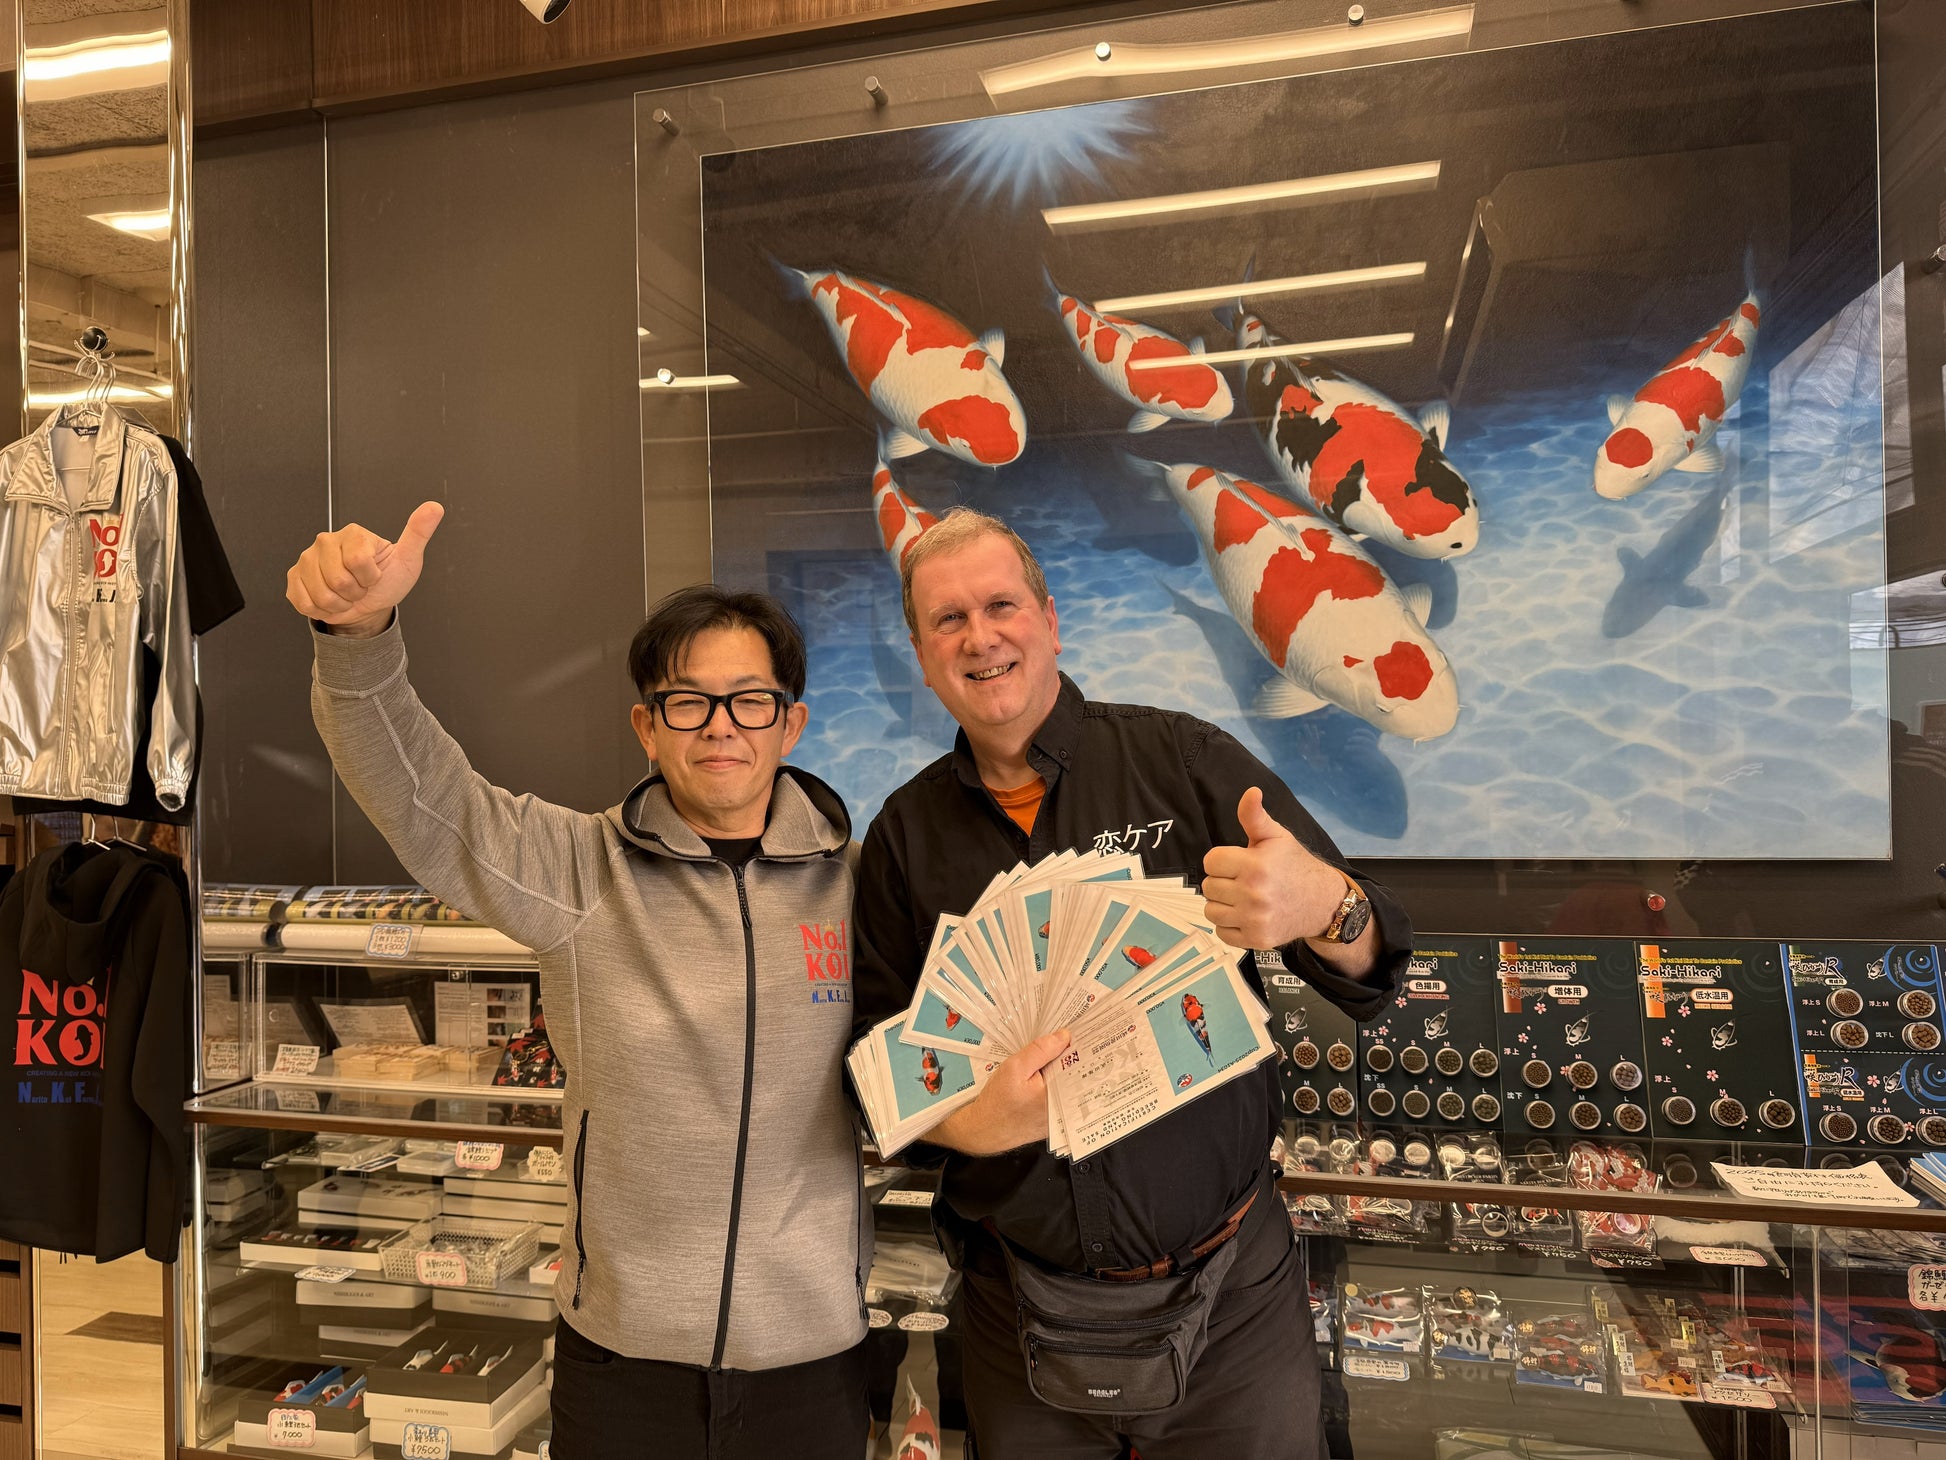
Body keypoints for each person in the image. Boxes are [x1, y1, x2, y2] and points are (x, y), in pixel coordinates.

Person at [287, 502, 870, 1460]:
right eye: (687, 702)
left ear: (791, 723)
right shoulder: (579, 870)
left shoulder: (860, 886)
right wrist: (358, 641)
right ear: (647, 726)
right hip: (624, 1364)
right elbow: (429, 801)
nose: (720, 727)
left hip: (814, 1363)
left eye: (750, 701)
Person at [852, 507, 1412, 1458]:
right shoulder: (904, 837)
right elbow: (872, 1064)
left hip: (1234, 1305)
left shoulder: (1182, 761)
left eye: (1001, 606)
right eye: (949, 619)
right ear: (922, 654)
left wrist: (1327, 903)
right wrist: (967, 1124)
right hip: (1014, 1312)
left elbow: (1373, 960)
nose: (980, 637)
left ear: (1050, 621)